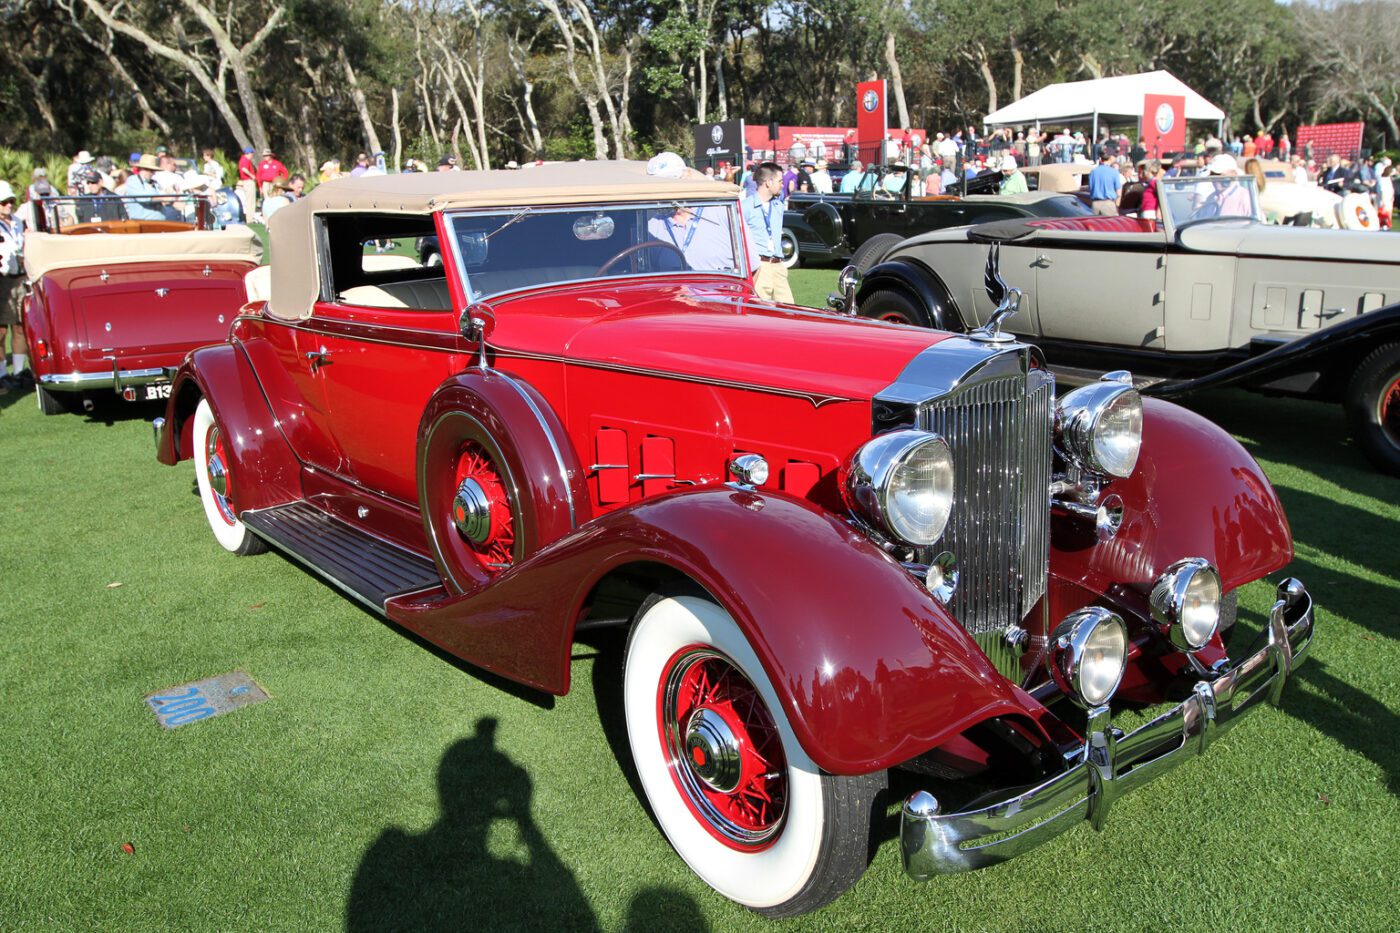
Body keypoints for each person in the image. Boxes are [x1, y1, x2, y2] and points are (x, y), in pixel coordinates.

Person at [741, 162, 792, 303]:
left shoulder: (778, 206)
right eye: (780, 181)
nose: (783, 185)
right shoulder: (746, 207)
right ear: (768, 182)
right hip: (759, 266)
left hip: (779, 265)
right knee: (760, 311)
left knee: (789, 312)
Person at [0, 181, 30, 393]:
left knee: (20, 327)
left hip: (20, 278)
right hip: (2, 279)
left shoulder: (18, 222)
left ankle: (19, 372)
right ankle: (2, 374)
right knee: (1, 330)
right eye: (4, 202)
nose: (9, 205)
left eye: (11, 201)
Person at [646, 204, 734, 271]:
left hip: (719, 289)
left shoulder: (721, 212)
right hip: (672, 290)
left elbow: (746, 256)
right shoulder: (652, 226)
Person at [1193, 154, 1252, 219]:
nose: (1215, 179)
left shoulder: (1246, 197)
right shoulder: (1211, 198)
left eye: (1219, 174)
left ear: (1233, 174)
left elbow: (1258, 225)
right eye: (1212, 174)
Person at [123, 154, 170, 220]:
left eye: (153, 170)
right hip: (142, 222)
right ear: (141, 169)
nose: (152, 173)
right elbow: (143, 198)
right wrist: (163, 198)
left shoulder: (155, 183)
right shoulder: (133, 180)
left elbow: (165, 195)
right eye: (148, 170)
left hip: (161, 222)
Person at [1087, 151, 1123, 215]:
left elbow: (1090, 188)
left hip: (1095, 204)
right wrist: (1117, 205)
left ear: (1101, 159)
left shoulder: (1093, 172)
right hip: (1108, 204)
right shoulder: (1114, 172)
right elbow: (1118, 192)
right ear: (1109, 159)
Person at [1138, 159, 1164, 224]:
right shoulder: (1150, 182)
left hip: (1150, 212)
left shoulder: (1154, 182)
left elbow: (1161, 196)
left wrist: (1159, 211)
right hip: (1148, 211)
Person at [1377, 160, 1394, 230]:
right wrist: (1383, 202)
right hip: (1384, 201)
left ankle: (1388, 226)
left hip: (1389, 200)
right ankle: (1384, 227)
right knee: (1384, 215)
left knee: (1389, 215)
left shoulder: (1389, 179)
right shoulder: (1383, 180)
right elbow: (1383, 191)